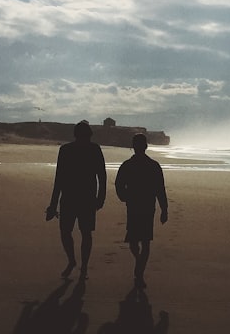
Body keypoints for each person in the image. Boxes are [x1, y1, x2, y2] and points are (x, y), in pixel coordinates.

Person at [47, 120, 106, 279]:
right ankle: (78, 263)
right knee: (82, 233)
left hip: (72, 197)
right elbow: (102, 176)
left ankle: (78, 263)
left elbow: (59, 179)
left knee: (70, 232)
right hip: (83, 198)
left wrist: (53, 204)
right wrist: (101, 197)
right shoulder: (91, 149)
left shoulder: (67, 150)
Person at [114, 133, 168, 289]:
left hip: (137, 206)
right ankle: (139, 263)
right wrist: (164, 209)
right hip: (143, 206)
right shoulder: (151, 165)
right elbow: (160, 190)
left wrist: (124, 197)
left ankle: (139, 270)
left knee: (137, 240)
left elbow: (119, 185)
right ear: (145, 146)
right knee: (141, 241)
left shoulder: (132, 165)